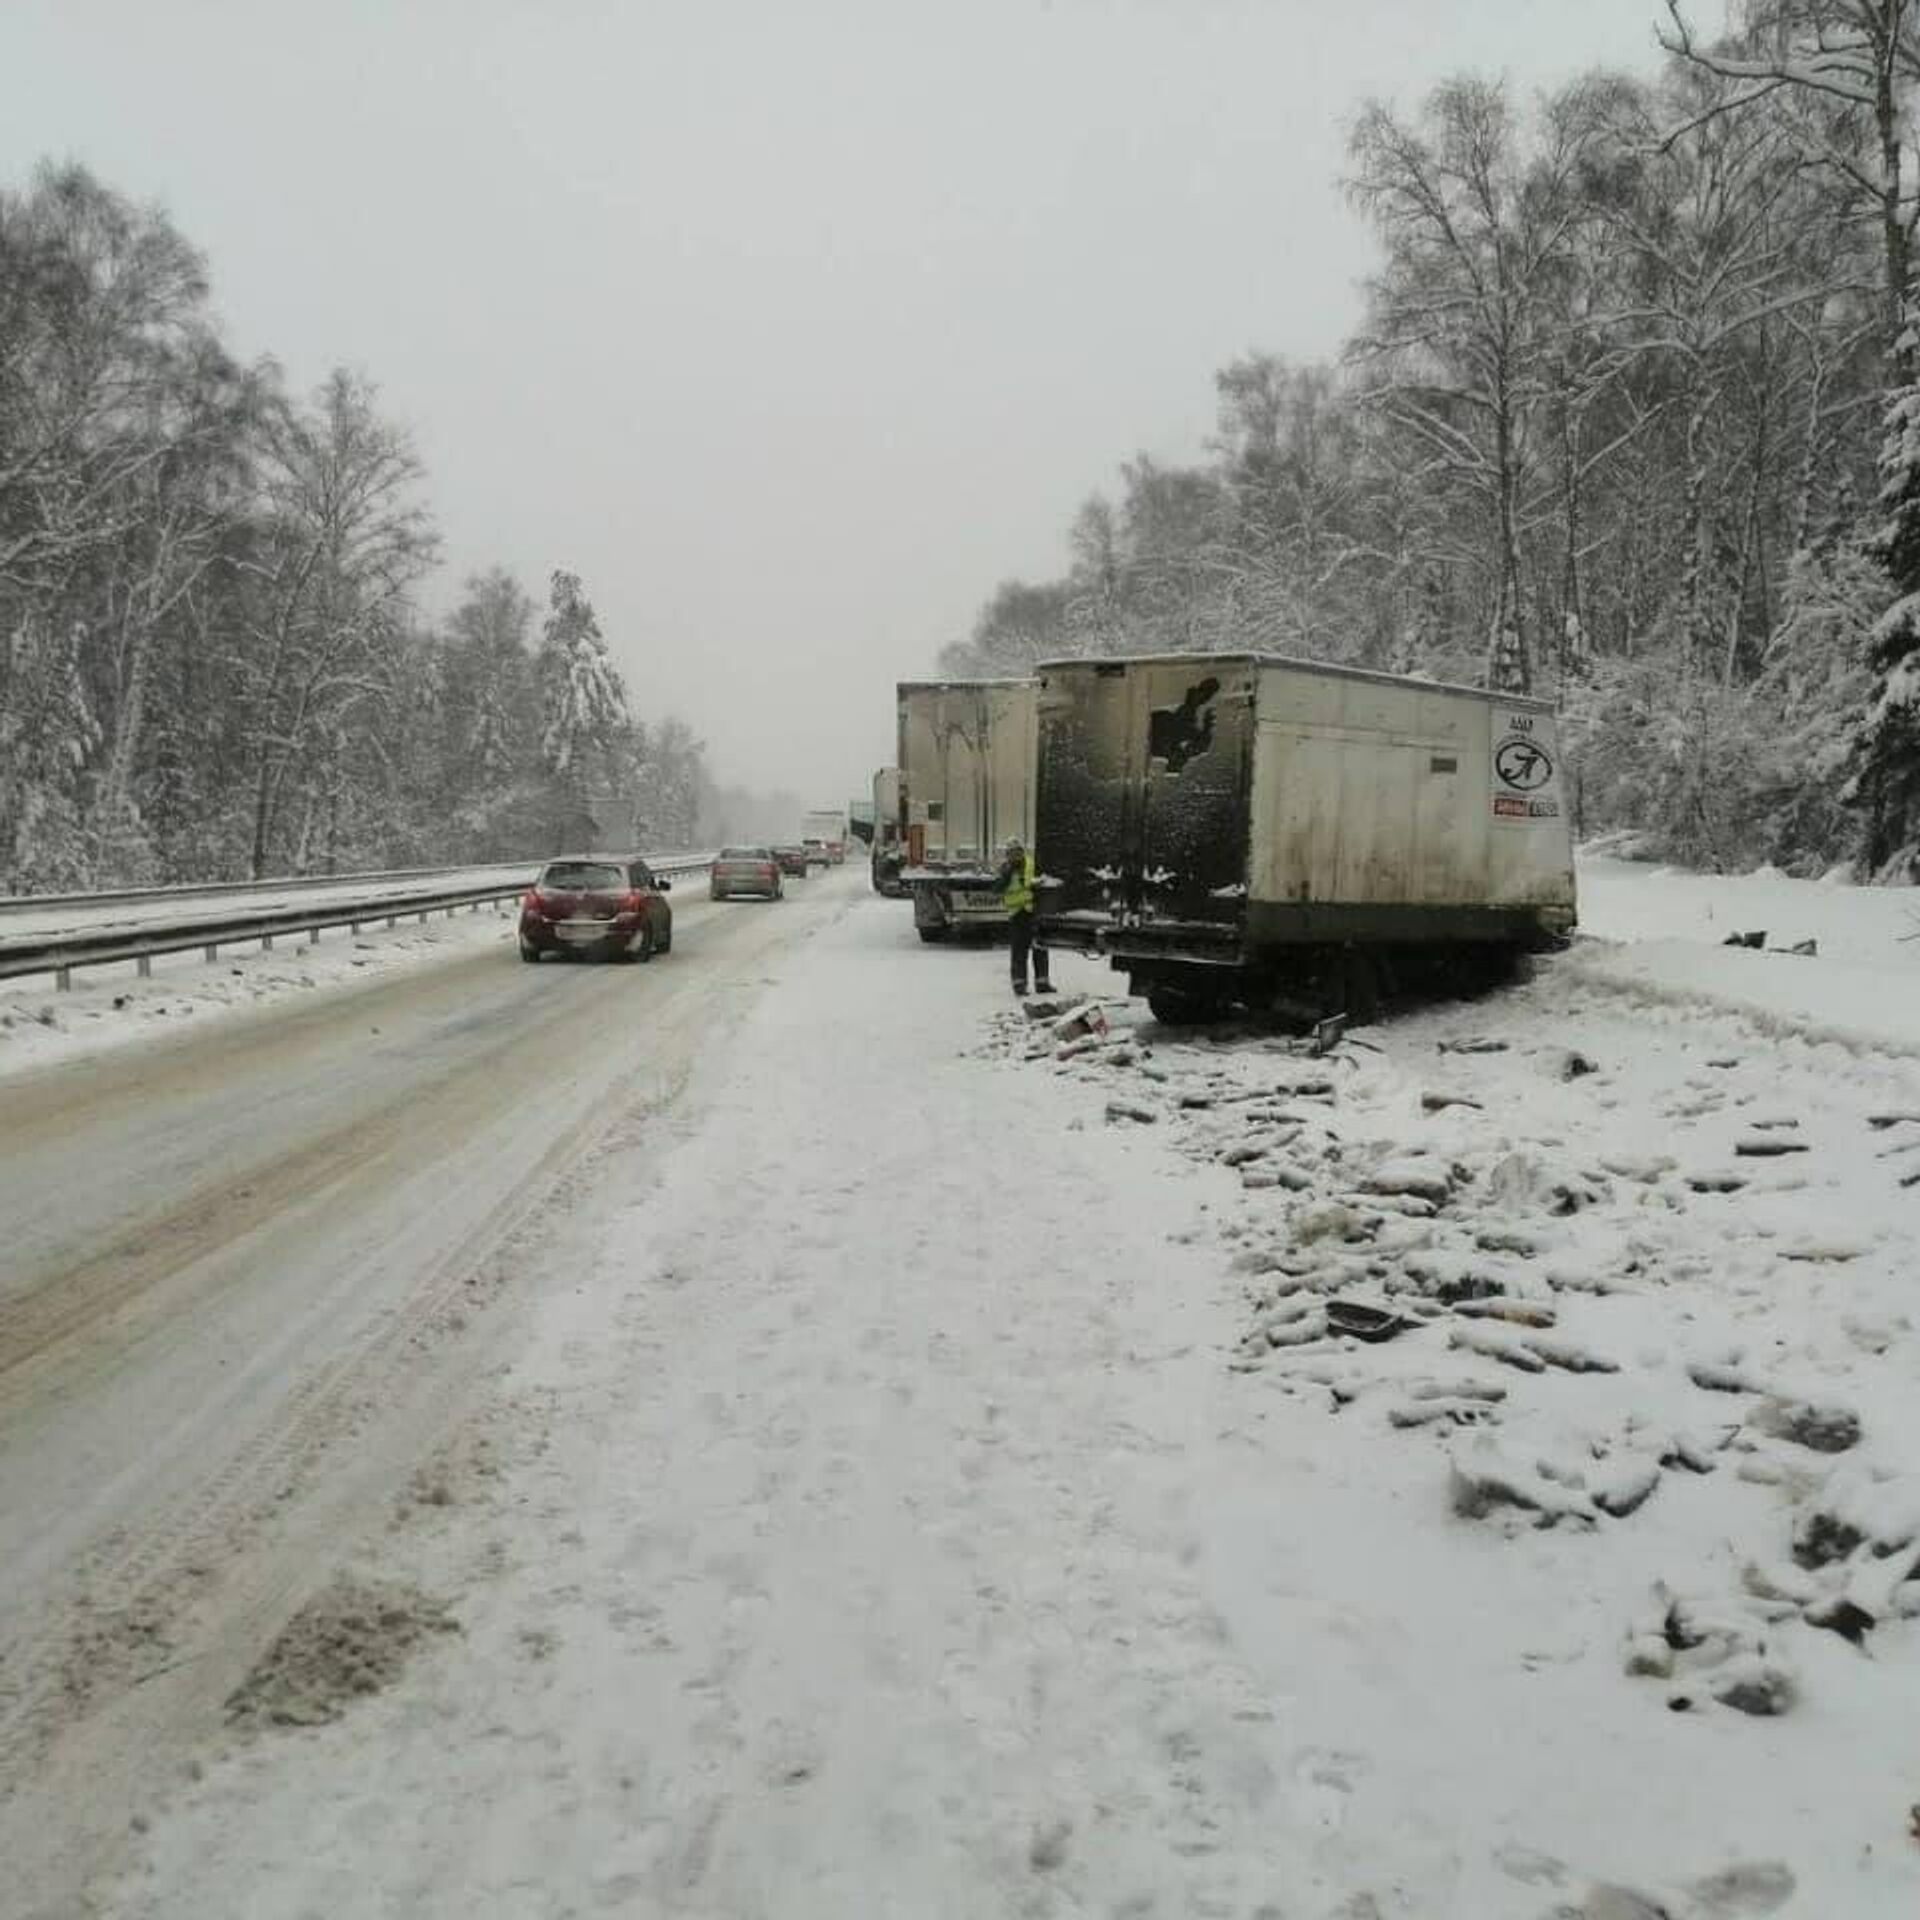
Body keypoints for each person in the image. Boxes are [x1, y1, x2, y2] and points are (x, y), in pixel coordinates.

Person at [995, 834, 1052, 997]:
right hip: (1018, 914)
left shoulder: (1031, 864)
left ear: (1022, 851)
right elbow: (996, 889)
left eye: (1017, 852)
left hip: (1034, 911)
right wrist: (1006, 877)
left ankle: (1042, 982)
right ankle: (1019, 984)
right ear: (1007, 855)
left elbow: (1041, 879)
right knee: (1019, 950)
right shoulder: (1006, 869)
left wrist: (1037, 883)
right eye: (1011, 853)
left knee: (1040, 946)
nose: (1015, 856)